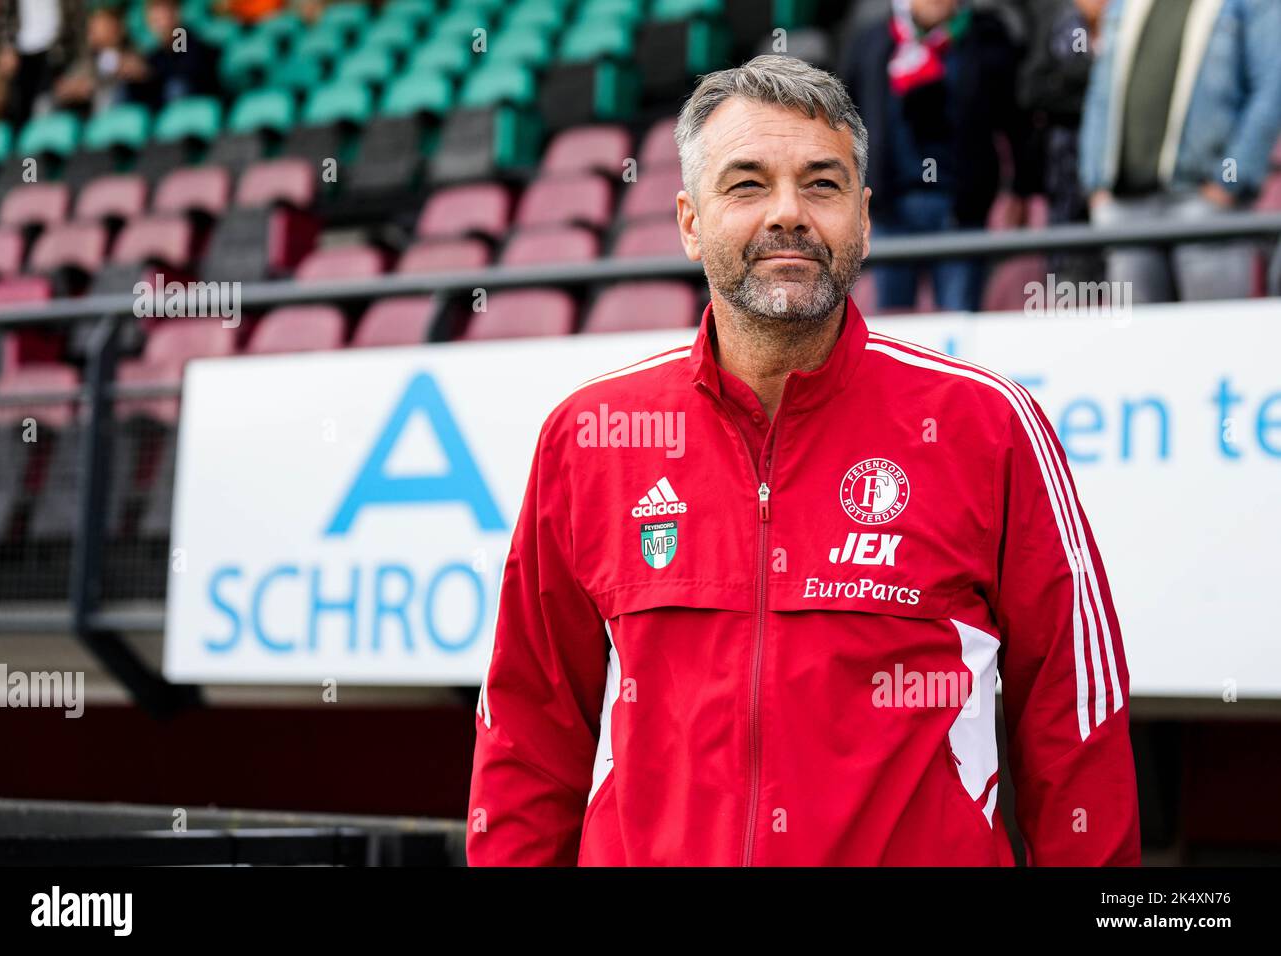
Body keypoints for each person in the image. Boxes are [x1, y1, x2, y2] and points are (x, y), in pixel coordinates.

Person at [466, 55, 1140, 866]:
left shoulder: (988, 425)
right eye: (746, 185)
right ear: (689, 221)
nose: (788, 213)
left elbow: (1077, 724)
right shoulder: (590, 436)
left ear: (862, 217)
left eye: (821, 185)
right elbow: (528, 731)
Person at [838, 0, 1039, 312]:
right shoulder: (873, 42)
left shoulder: (986, 41)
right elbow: (843, 123)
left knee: (959, 324)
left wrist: (1021, 187)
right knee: (893, 326)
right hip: (890, 210)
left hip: (960, 211)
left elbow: (1016, 119)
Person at [1078, 0, 1281, 302]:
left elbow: (1271, 90)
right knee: (1137, 344)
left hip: (1204, 206)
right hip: (1126, 209)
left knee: (1211, 339)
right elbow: (1101, 89)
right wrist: (1096, 185)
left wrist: (1229, 183)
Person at [1019, 0, 1107, 287]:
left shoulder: (1126, 28)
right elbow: (1032, 92)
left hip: (1117, 183)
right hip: (1067, 179)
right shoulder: (1060, 25)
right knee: (1071, 277)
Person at [0, 0, 86, 129]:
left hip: (56, 52)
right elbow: (3, 15)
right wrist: (6, 46)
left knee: (47, 108)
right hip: (21, 51)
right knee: (19, 110)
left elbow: (77, 24)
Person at [50, 4, 149, 116]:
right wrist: (76, 87)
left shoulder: (132, 50)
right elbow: (62, 88)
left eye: (103, 26)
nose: (95, 31)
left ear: (117, 28)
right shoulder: (88, 60)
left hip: (127, 111)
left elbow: (142, 71)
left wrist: (123, 68)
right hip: (90, 116)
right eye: (93, 27)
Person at [133, 0, 219, 111]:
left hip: (198, 101)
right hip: (167, 106)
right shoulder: (156, 53)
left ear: (176, 15)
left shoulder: (185, 39)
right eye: (155, 20)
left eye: (163, 17)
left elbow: (183, 70)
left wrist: (151, 72)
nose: (160, 25)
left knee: (176, 86)